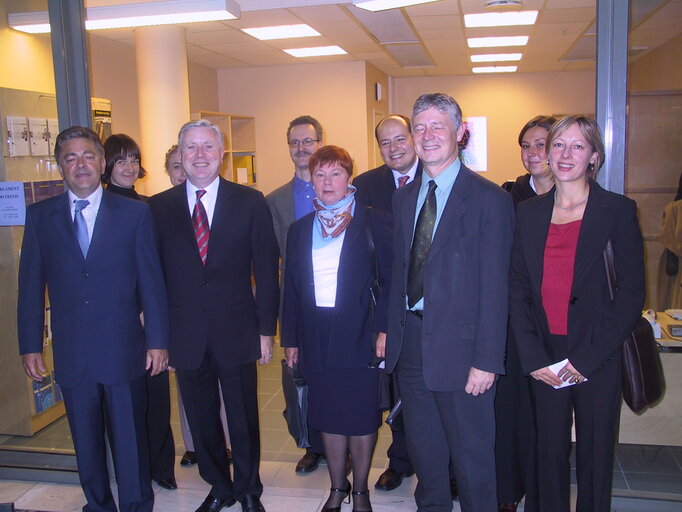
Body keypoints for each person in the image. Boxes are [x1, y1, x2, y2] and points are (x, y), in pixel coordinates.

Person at [17, 126, 169, 512]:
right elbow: (31, 286)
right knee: (85, 441)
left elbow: (152, 283)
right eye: (71, 157)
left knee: (130, 440)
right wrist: (30, 345)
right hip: (73, 352)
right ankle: (98, 505)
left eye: (88, 156)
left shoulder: (135, 214)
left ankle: (136, 505)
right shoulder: (40, 216)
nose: (80, 164)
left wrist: (158, 340)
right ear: (60, 167)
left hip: (124, 349)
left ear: (102, 163)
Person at [385, 93, 514, 512]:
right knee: (427, 458)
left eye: (437, 125)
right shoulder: (404, 197)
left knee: (473, 461)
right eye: (419, 127)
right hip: (413, 348)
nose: (427, 135)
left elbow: (496, 290)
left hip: (464, 354)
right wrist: (389, 332)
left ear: (460, 133)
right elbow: (399, 274)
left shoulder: (489, 199)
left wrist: (486, 360)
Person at [509, 115, 645, 512]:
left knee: (595, 453)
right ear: (548, 153)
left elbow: (631, 293)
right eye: (558, 145)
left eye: (578, 146)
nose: (566, 154)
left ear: (594, 157)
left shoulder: (617, 211)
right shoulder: (528, 213)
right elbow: (515, 288)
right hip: (545, 351)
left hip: (595, 351)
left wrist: (586, 359)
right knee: (547, 453)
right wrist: (532, 357)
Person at [148, 119, 279, 512]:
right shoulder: (158, 207)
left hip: (237, 329)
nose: (200, 155)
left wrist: (265, 329)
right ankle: (218, 485)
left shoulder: (250, 201)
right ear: (180, 155)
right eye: (191, 148)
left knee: (242, 417)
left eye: (208, 147)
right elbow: (152, 277)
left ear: (221, 154)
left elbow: (267, 268)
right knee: (201, 418)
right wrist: (159, 336)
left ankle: (248, 488)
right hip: (185, 332)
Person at [282, 145, 392, 512]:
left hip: (361, 333)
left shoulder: (374, 220)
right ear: (311, 179)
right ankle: (336, 486)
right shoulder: (299, 230)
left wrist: (383, 330)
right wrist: (292, 339)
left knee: (361, 417)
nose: (327, 182)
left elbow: (391, 282)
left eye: (336, 173)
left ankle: (360, 490)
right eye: (320, 174)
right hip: (316, 335)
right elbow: (292, 291)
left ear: (349, 178)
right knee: (328, 414)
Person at [101, 133, 177, 491]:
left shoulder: (151, 206)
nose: (129, 167)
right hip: (118, 321)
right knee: (124, 402)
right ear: (106, 166)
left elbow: (158, 265)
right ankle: (133, 469)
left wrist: (152, 310)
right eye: (121, 161)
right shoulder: (99, 207)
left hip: (151, 319)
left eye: (134, 160)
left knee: (156, 397)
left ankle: (161, 467)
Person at [495, 115, 556, 512]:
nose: (533, 153)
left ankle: (541, 492)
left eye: (542, 144)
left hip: (557, 322)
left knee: (546, 415)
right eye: (527, 145)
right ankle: (505, 493)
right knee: (509, 411)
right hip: (513, 321)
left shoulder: (580, 197)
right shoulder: (506, 196)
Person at [162, 143, 233, 468]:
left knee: (229, 401)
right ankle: (201, 452)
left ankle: (230, 453)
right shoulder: (158, 209)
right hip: (184, 324)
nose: (184, 169)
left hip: (228, 324)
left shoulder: (241, 201)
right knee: (193, 398)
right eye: (176, 166)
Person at [266, 115, 329, 474]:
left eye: (308, 141)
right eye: (295, 142)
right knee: (300, 378)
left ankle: (339, 439)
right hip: (297, 306)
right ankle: (312, 445)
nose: (302, 148)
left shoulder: (344, 189)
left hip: (338, 304)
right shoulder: (274, 202)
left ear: (321, 142)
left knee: (335, 376)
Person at [102, 133, 148, 200]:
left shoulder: (148, 203)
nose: (130, 169)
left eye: (134, 161)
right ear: (108, 165)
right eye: (122, 162)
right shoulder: (102, 205)